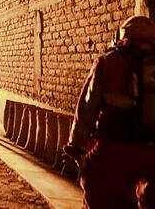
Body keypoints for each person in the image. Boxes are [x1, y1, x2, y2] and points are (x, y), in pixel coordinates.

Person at [63, 16, 155, 209]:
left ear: (123, 35)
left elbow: (87, 107)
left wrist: (76, 145)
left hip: (113, 148)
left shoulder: (108, 62)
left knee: (99, 198)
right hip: (150, 152)